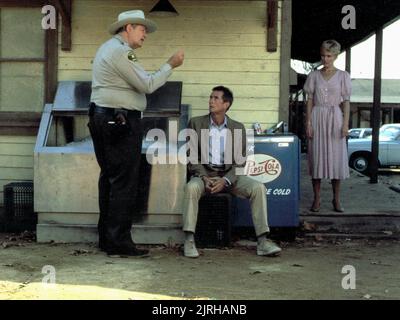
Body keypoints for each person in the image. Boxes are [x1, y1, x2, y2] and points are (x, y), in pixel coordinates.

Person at [88, 10, 184, 256]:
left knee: (110, 179)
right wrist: (170, 65)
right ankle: (119, 242)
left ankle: (107, 239)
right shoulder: (121, 51)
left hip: (104, 117)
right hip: (119, 121)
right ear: (128, 27)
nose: (145, 35)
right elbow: (147, 84)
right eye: (142, 29)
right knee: (124, 182)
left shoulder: (108, 48)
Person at [182, 86, 282, 258]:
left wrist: (226, 181)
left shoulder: (238, 128)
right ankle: (189, 240)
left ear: (226, 104)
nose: (210, 101)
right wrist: (204, 177)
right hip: (204, 176)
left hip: (229, 177)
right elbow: (192, 156)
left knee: (257, 188)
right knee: (191, 188)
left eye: (215, 98)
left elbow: (240, 161)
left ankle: (263, 241)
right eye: (210, 97)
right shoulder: (196, 123)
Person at [304, 40, 351, 213]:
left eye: (329, 56)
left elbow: (346, 102)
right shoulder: (314, 76)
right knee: (317, 157)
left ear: (336, 56)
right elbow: (309, 100)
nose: (325, 59)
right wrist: (308, 122)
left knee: (336, 159)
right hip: (317, 117)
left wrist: (345, 124)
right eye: (323, 55)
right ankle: (317, 198)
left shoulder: (343, 76)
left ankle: (336, 200)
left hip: (335, 118)